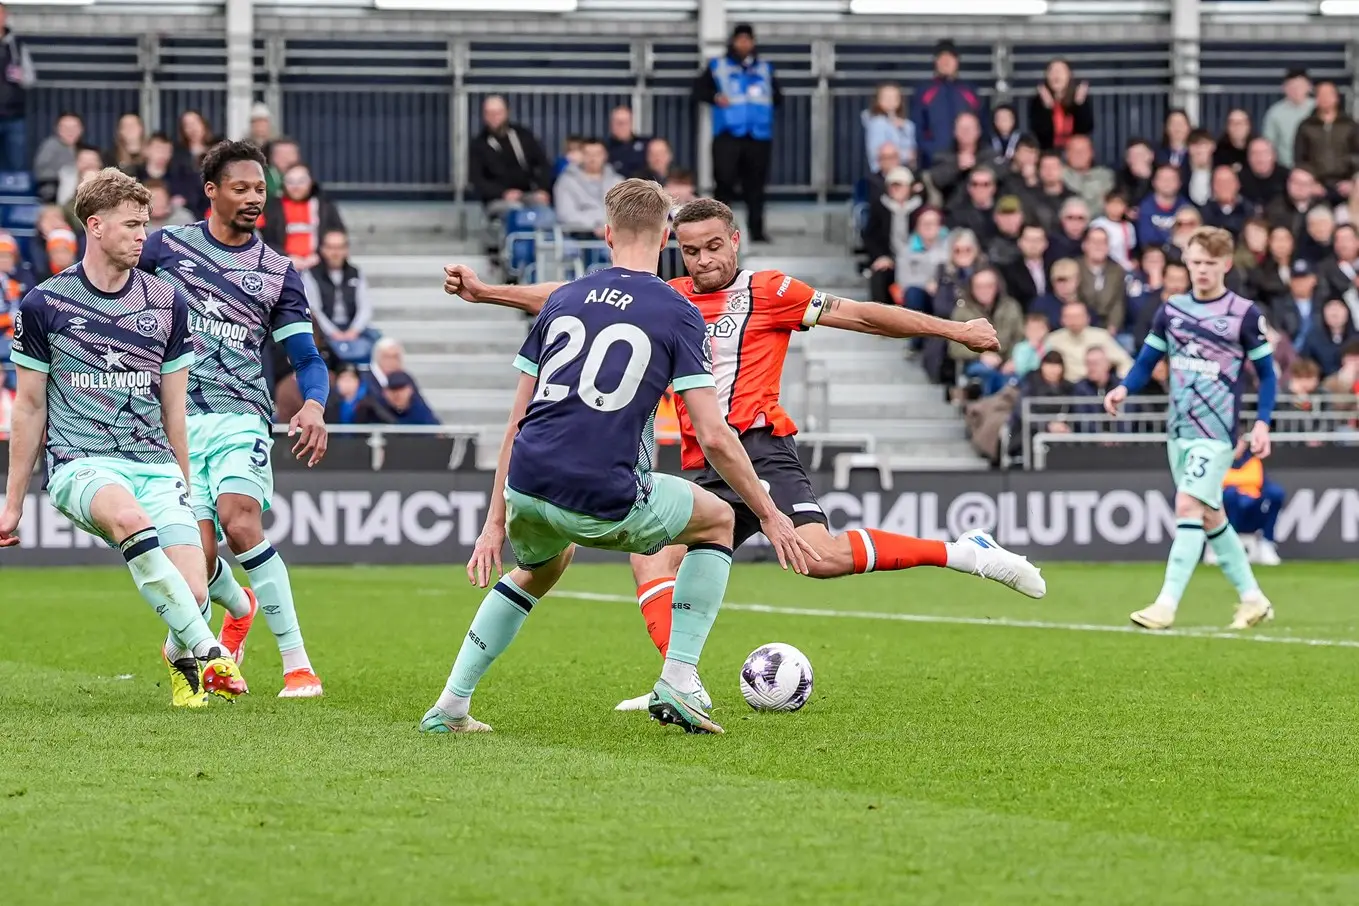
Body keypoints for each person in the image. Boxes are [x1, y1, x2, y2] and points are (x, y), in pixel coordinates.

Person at [443, 196, 1046, 712]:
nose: (703, 260)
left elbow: (861, 315)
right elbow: (572, 295)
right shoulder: (669, 295)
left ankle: (964, 552)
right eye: (691, 249)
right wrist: (490, 292)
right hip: (705, 457)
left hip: (759, 449)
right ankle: (677, 682)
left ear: (735, 240)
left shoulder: (771, 291)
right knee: (652, 564)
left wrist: (956, 329)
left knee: (819, 559)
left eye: (713, 247)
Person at [422, 180, 817, 736]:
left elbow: (516, 421)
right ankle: (679, 680)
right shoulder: (677, 309)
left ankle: (451, 706)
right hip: (603, 492)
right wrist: (772, 516)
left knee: (543, 564)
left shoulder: (563, 299)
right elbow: (714, 433)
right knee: (720, 519)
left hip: (527, 485)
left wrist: (492, 526)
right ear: (665, 239)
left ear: (606, 235)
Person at [0, 168, 247, 706]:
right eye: (132, 224)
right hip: (82, 463)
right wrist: (12, 503)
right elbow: (29, 407)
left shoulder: (167, 301)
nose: (143, 234)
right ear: (95, 225)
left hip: (154, 462)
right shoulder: (46, 304)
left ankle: (185, 661)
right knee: (132, 522)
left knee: (194, 592)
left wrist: (184, 483)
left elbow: (174, 406)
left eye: (146, 223)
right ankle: (210, 654)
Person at [138, 140, 330, 699]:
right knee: (195, 564)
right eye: (241, 188)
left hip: (242, 413)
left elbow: (306, 358)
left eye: (260, 189)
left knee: (241, 521)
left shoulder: (275, 272)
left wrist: (313, 403)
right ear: (212, 191)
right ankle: (238, 607)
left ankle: (298, 666)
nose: (253, 198)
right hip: (172, 421)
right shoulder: (164, 248)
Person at [1105, 226, 1277, 631]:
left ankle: (1166, 604)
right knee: (1209, 516)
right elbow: (1147, 361)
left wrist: (1263, 423)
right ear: (1186, 262)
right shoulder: (1172, 311)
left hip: (1217, 434)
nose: (1201, 270)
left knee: (1186, 506)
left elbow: (1268, 375)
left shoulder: (1244, 314)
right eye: (1196, 262)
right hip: (1179, 430)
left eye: (1210, 264)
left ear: (1226, 265)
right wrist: (1123, 388)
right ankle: (1253, 598)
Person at [697, 23, 780, 244]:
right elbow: (698, 90)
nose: (744, 43)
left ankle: (757, 232)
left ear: (753, 42)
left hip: (758, 136)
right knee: (723, 184)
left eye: (747, 39)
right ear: (733, 41)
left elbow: (778, 97)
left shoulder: (765, 68)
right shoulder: (718, 66)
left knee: (756, 187)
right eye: (740, 39)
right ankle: (719, 233)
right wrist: (715, 97)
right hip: (728, 135)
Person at [302, 228, 376, 362]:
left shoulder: (356, 273)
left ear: (346, 250)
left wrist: (354, 331)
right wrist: (333, 333)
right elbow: (314, 310)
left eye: (340, 247)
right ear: (323, 249)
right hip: (324, 330)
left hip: (352, 327)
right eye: (331, 247)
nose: (335, 253)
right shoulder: (311, 274)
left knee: (378, 341)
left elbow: (365, 307)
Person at [913, 39, 984, 169]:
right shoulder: (924, 91)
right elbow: (918, 129)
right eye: (942, 58)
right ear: (936, 62)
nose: (946, 62)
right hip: (935, 163)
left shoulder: (969, 90)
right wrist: (933, 154)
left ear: (957, 61)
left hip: (968, 162)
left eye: (950, 58)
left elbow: (981, 125)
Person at [1220, 439, 1286, 567]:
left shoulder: (1253, 461)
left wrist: (1235, 481)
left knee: (1275, 494)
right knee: (1230, 495)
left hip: (1252, 510)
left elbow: (1257, 481)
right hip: (1225, 513)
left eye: (1238, 442)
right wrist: (1241, 483)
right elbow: (1221, 481)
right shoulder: (1219, 461)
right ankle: (1226, 546)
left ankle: (1266, 542)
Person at [1028, 57, 1092, 152]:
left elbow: (1085, 130)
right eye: (1052, 71)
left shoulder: (1079, 98)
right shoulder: (1038, 101)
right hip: (1049, 153)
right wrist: (1047, 109)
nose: (1056, 75)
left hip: (1074, 153)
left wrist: (1079, 105)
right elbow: (1041, 135)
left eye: (1061, 71)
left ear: (1069, 75)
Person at [0, 3, 36, 172]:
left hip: (14, 117)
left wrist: (21, 76)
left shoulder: (18, 46)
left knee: (15, 167)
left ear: (5, 16)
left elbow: (31, 79)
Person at [1263, 69, 1314, 171]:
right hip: (1285, 169)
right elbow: (1269, 144)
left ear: (1309, 87)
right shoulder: (1275, 113)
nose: (1296, 91)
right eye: (1292, 86)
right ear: (1284, 88)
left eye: (1300, 86)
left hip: (1316, 169)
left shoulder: (1318, 108)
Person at [863, 82, 917, 171]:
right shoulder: (877, 123)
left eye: (894, 97)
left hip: (903, 170)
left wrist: (906, 127)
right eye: (886, 97)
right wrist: (906, 155)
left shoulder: (905, 123)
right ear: (878, 100)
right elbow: (876, 151)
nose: (890, 101)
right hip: (884, 171)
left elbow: (911, 144)